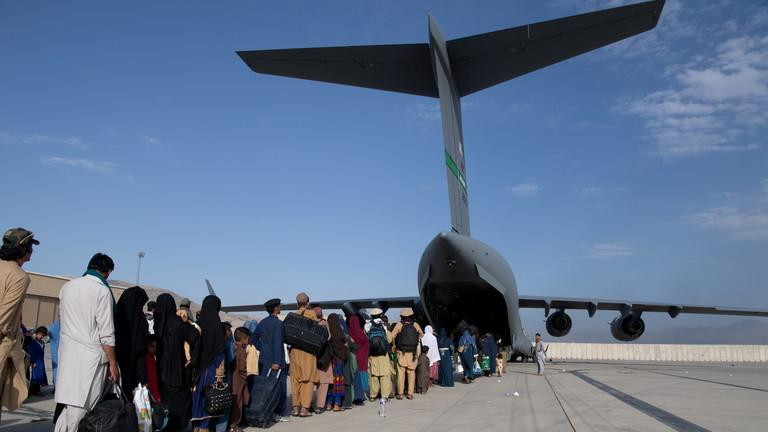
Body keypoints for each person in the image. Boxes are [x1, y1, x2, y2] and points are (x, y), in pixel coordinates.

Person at [55, 253, 118, 432]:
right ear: (107, 271)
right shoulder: (102, 291)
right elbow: (106, 333)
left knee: (67, 406)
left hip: (68, 354)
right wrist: (113, 363)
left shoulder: (67, 287)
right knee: (82, 408)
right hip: (91, 359)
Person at [0, 227, 37, 417]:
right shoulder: (19, 276)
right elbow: (3, 317)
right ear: (22, 248)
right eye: (30, 246)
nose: (32, 251)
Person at [155, 294, 199, 430]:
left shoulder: (158, 322)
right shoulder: (179, 323)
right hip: (178, 372)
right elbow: (195, 336)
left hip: (160, 371)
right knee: (180, 406)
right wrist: (192, 360)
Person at [190, 295, 226, 432]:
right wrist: (220, 372)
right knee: (209, 400)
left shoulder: (197, 324)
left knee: (197, 399)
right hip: (212, 370)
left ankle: (196, 427)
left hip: (196, 370)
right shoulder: (217, 325)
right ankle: (204, 427)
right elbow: (220, 351)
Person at [253, 298, 289, 422]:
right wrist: (277, 362)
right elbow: (277, 343)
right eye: (279, 306)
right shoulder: (278, 324)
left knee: (265, 387)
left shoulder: (262, 322)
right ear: (275, 308)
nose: (280, 308)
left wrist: (262, 348)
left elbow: (254, 337)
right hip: (275, 361)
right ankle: (279, 413)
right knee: (279, 387)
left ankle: (266, 411)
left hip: (264, 360)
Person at [288, 292, 319, 417]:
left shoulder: (294, 315)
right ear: (308, 302)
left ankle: (295, 408)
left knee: (295, 380)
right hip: (308, 352)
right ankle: (304, 409)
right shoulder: (311, 314)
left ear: (297, 303)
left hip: (295, 352)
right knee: (308, 379)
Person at [114, 286, 149, 394]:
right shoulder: (140, 320)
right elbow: (141, 348)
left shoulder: (116, 315)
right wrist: (143, 378)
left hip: (115, 362)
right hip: (133, 366)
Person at [390, 308, 423, 400]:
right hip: (412, 353)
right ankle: (410, 393)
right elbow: (421, 334)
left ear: (402, 316)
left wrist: (395, 344)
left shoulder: (399, 325)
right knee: (411, 373)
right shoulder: (415, 325)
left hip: (401, 353)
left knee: (401, 373)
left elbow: (392, 336)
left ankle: (400, 394)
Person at [366, 308, 392, 402]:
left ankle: (373, 395)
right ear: (381, 315)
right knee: (385, 376)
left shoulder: (367, 326)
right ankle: (384, 396)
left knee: (374, 376)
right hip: (383, 355)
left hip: (372, 355)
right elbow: (389, 340)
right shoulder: (384, 325)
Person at [229, 327, 251, 432]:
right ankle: (234, 425)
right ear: (243, 339)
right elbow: (242, 367)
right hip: (239, 379)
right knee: (238, 402)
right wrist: (245, 376)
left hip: (233, 377)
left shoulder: (232, 347)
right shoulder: (241, 350)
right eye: (247, 339)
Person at [325, 313, 347, 412]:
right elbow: (345, 347)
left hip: (329, 361)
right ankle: (337, 404)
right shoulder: (340, 333)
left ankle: (329, 403)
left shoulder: (327, 334)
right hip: (339, 360)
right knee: (338, 382)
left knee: (331, 382)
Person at [313, 307, 332, 414]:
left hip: (319, 356)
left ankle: (317, 405)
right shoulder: (320, 323)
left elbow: (328, 336)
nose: (320, 312)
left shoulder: (324, 323)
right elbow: (328, 337)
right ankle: (315, 405)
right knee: (319, 382)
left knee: (321, 382)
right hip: (318, 356)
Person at [346, 313, 369, 405]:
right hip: (363, 357)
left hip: (354, 358)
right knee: (362, 375)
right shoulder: (361, 333)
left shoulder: (348, 333)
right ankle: (362, 394)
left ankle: (355, 394)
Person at [26, 326, 48, 394]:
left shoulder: (42, 343)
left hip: (41, 362)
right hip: (35, 362)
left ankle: (37, 389)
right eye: (39, 334)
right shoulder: (32, 342)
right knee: (35, 376)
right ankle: (34, 390)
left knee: (40, 375)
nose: (40, 336)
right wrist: (33, 361)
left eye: (42, 335)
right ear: (36, 334)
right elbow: (31, 352)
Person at [145, 335, 161, 401]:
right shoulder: (148, 360)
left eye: (156, 347)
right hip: (152, 394)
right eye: (152, 346)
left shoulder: (152, 358)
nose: (154, 349)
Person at [48, 319, 60, 386]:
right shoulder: (55, 327)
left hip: (55, 352)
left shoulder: (52, 327)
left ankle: (56, 384)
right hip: (59, 352)